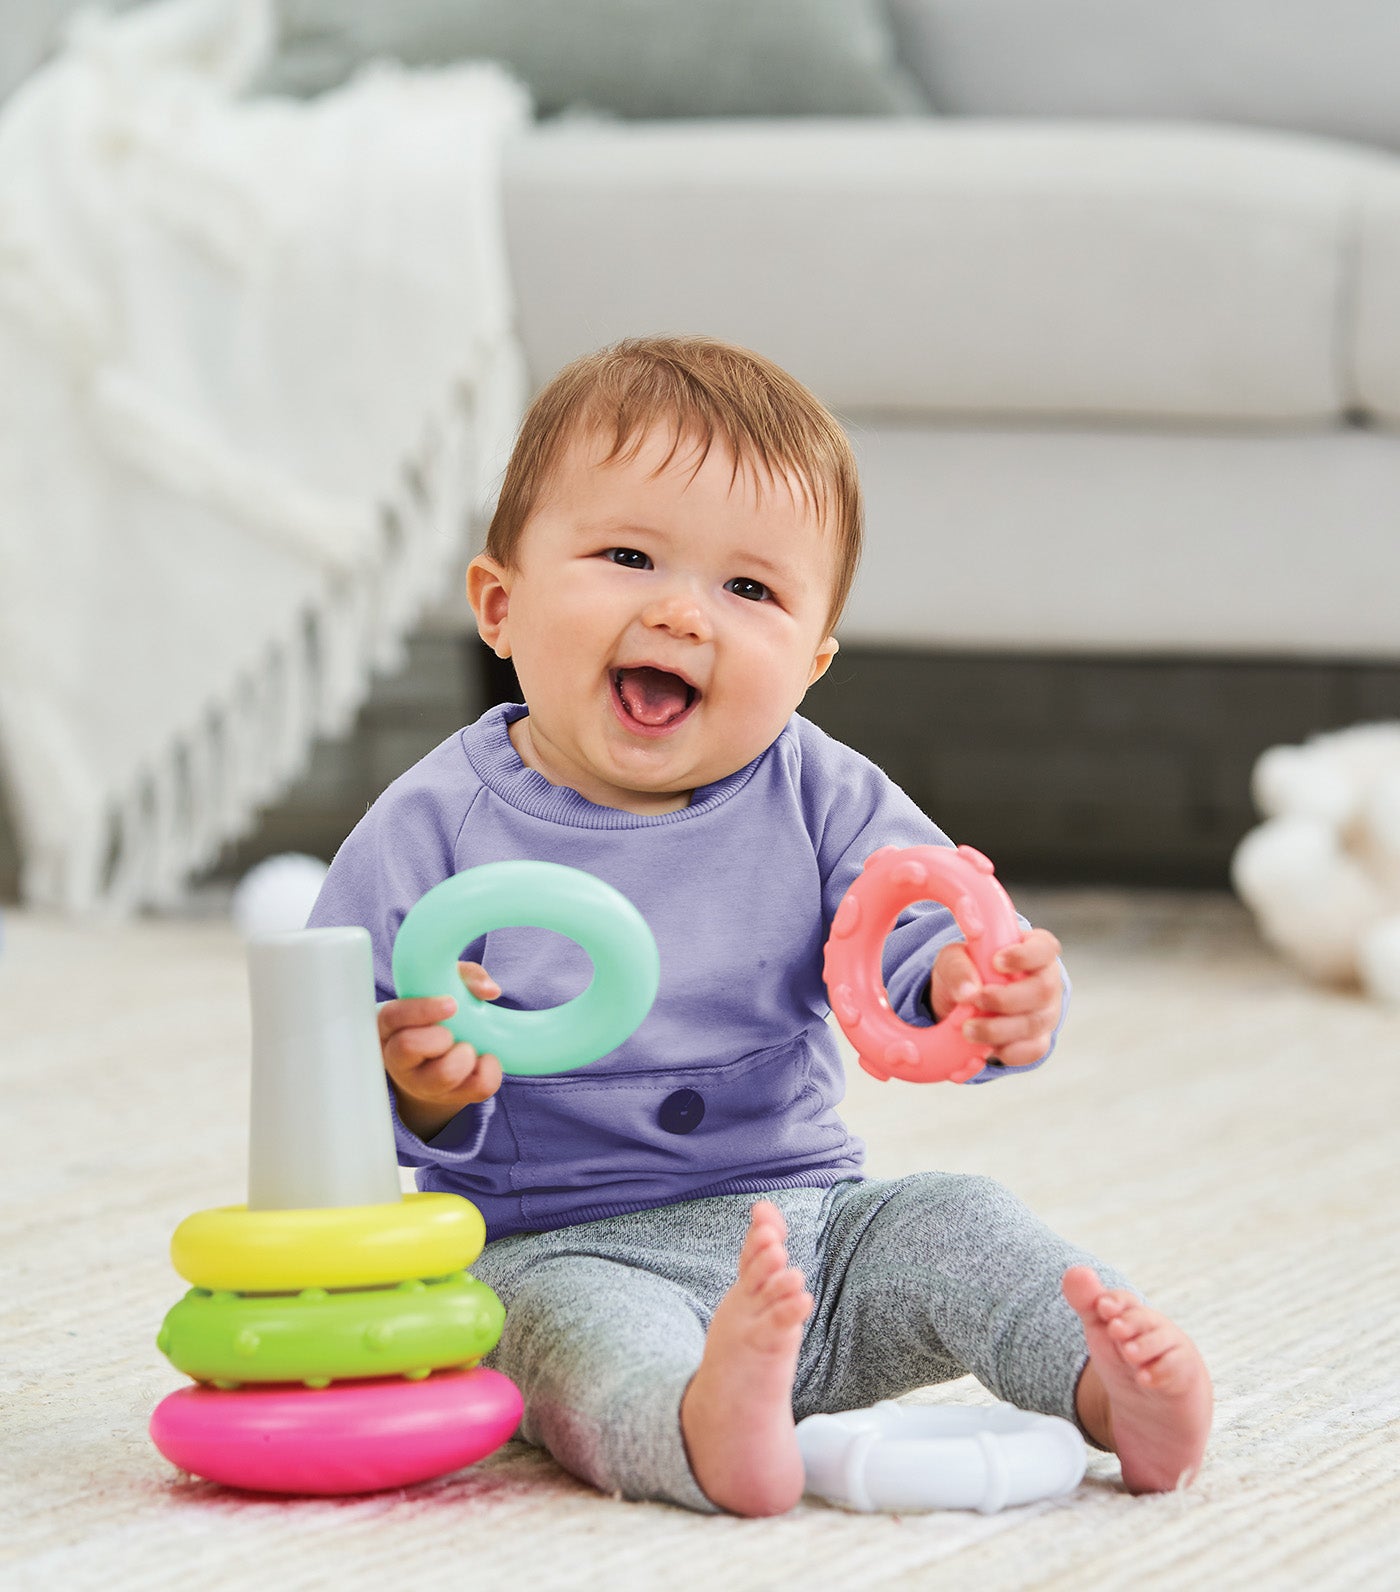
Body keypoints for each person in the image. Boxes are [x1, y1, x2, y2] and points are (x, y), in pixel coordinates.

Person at [308, 335, 1212, 1515]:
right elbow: (327, 1062)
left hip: (813, 1241)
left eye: (750, 589)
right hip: (564, 1245)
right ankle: (692, 1427)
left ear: (809, 661)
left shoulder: (820, 790)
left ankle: (1100, 1382)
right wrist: (422, 1079)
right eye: (627, 554)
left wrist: (984, 995)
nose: (682, 611)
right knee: (566, 1343)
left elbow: (924, 939)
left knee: (955, 1220)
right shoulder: (432, 823)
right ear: (499, 601)